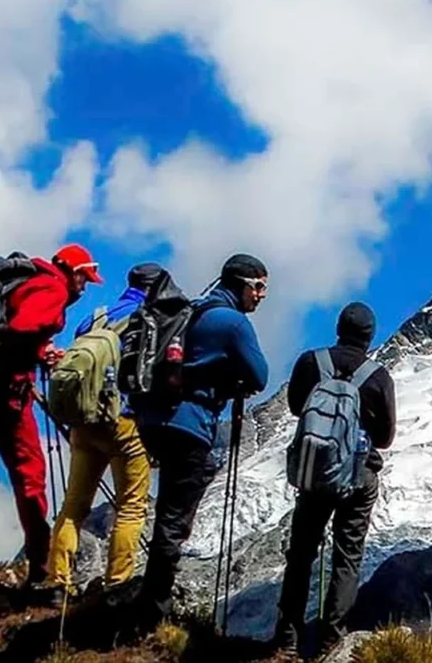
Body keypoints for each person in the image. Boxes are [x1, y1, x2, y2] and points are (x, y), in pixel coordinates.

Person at [0, 244, 102, 580]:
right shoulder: (52, 288)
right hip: (7, 395)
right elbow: (22, 328)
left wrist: (39, 351)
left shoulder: (27, 279)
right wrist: (30, 358)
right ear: (74, 272)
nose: (84, 287)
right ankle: (39, 562)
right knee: (30, 475)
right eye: (84, 279)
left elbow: (14, 328)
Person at [132, 254, 269, 629]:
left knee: (172, 507)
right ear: (240, 284)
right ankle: (149, 617)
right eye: (258, 287)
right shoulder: (232, 323)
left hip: (154, 419)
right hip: (190, 425)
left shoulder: (190, 313)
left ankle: (147, 598)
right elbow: (260, 376)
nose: (260, 296)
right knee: (174, 520)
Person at [274, 302, 397, 654]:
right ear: (370, 337)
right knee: (347, 556)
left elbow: (297, 407)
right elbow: (386, 438)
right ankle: (331, 641)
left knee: (301, 553)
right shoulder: (378, 376)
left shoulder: (312, 362)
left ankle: (286, 637)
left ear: (338, 328)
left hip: (316, 470)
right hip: (359, 474)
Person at [41, 264, 170, 601]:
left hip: (83, 423)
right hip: (124, 421)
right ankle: (118, 584)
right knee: (130, 507)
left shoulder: (96, 318)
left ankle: (57, 581)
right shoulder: (150, 319)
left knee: (74, 504)